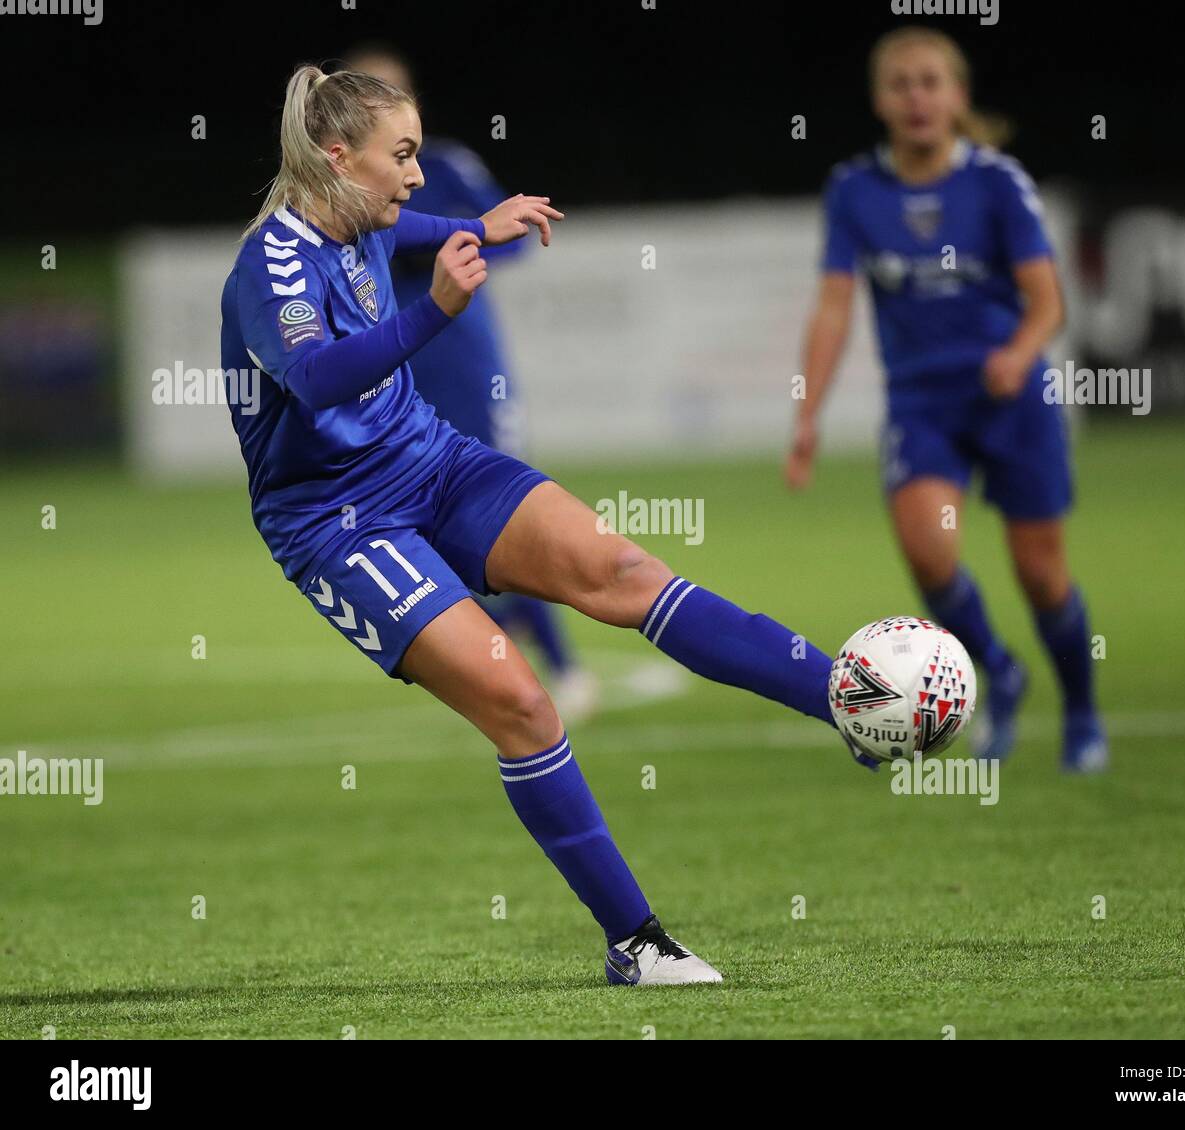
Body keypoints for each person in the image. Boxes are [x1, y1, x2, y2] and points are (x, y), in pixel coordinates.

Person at [221, 64, 871, 986]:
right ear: (337, 159)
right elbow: (320, 379)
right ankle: (636, 945)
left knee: (622, 570)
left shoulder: (359, 213)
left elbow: (406, 222)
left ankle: (844, 700)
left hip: (429, 461)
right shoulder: (270, 268)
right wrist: (434, 311)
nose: (415, 175)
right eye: (401, 155)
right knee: (522, 705)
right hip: (336, 523)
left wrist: (473, 227)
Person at [786, 27, 1107, 772]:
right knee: (929, 554)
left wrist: (1019, 354)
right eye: (900, 84)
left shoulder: (996, 182)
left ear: (957, 96)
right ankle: (999, 671)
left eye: (931, 82)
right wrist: (808, 414)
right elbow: (833, 307)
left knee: (1041, 575)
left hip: (1012, 397)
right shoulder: (855, 190)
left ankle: (1083, 716)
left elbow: (1047, 299)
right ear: (879, 101)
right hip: (922, 404)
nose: (917, 97)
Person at [342, 44, 597, 723]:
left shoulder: (443, 168)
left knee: (510, 515)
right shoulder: (333, 207)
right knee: (424, 527)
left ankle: (566, 667)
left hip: (466, 367)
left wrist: (441, 242)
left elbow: (507, 237)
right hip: (395, 376)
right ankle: (501, 664)